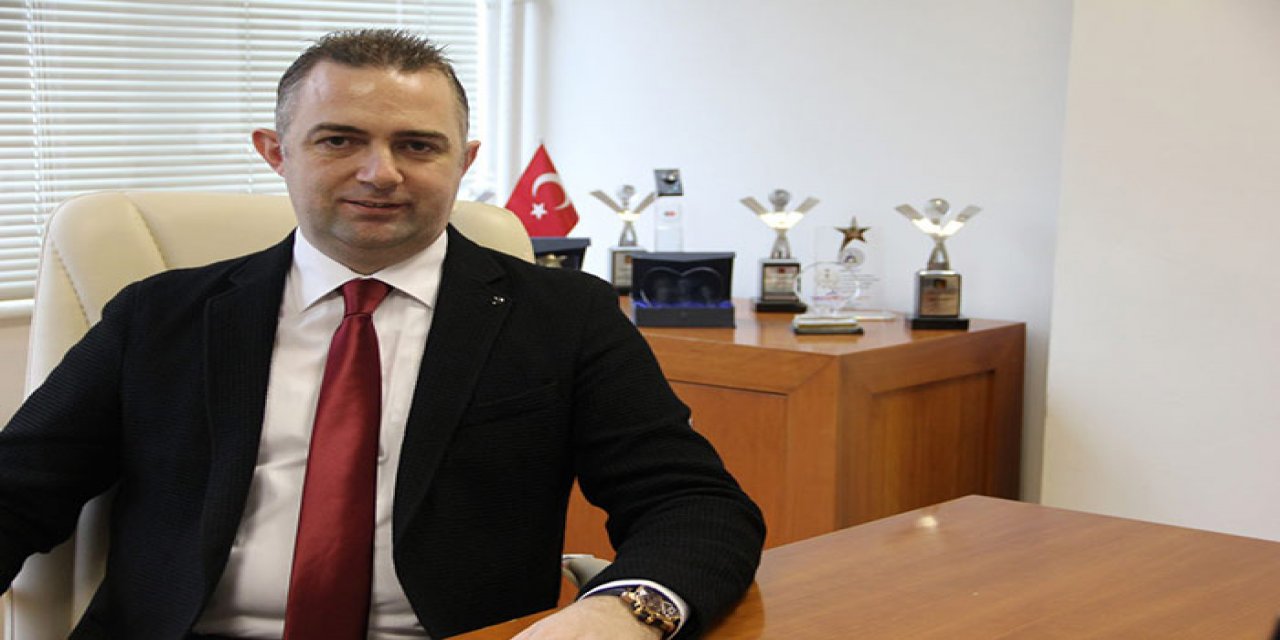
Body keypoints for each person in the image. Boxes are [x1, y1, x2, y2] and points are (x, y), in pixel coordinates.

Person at [0, 29, 764, 639]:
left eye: (417, 145)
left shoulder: (565, 316)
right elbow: (19, 487)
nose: (381, 173)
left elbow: (692, 503)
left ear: (463, 161)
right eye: (339, 140)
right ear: (276, 152)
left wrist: (623, 614)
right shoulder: (159, 315)